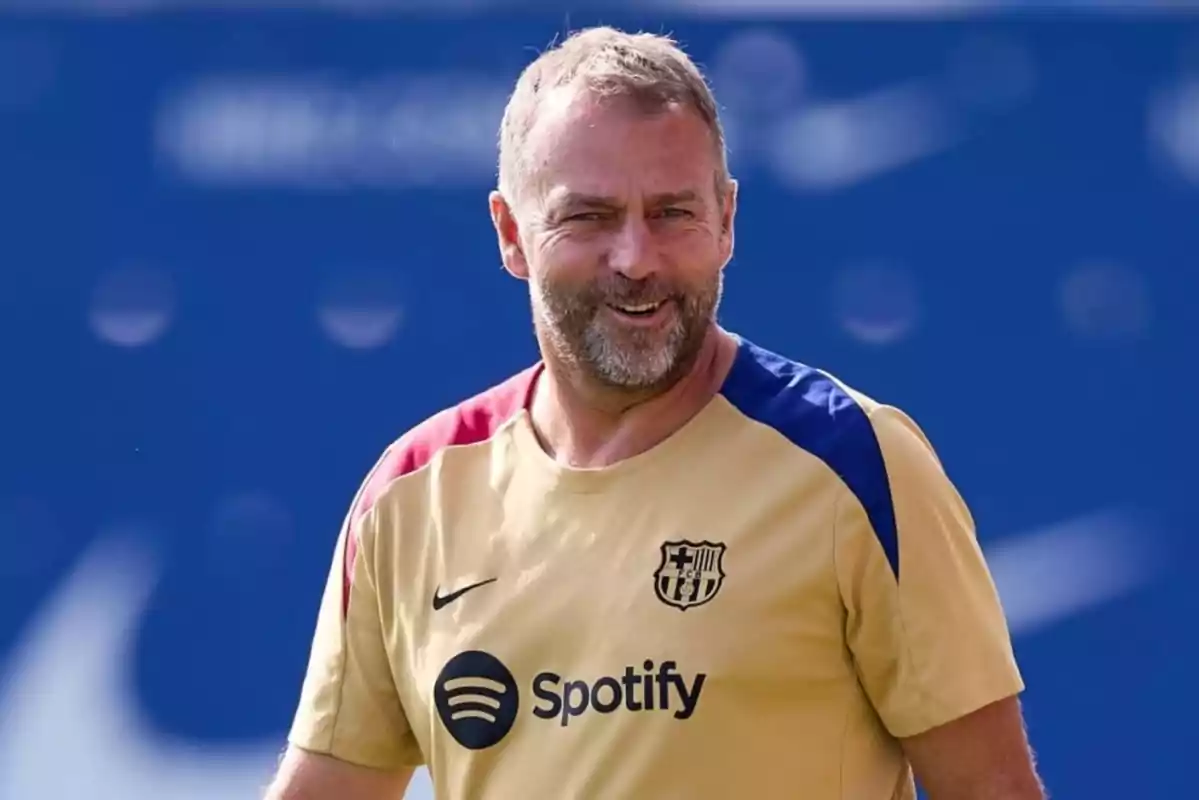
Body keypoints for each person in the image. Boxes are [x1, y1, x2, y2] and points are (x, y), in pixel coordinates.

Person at [266, 26, 1045, 800]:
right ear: (511, 234)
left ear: (728, 220)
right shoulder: (414, 494)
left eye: (672, 213)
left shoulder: (856, 461)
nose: (636, 258)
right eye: (590, 217)